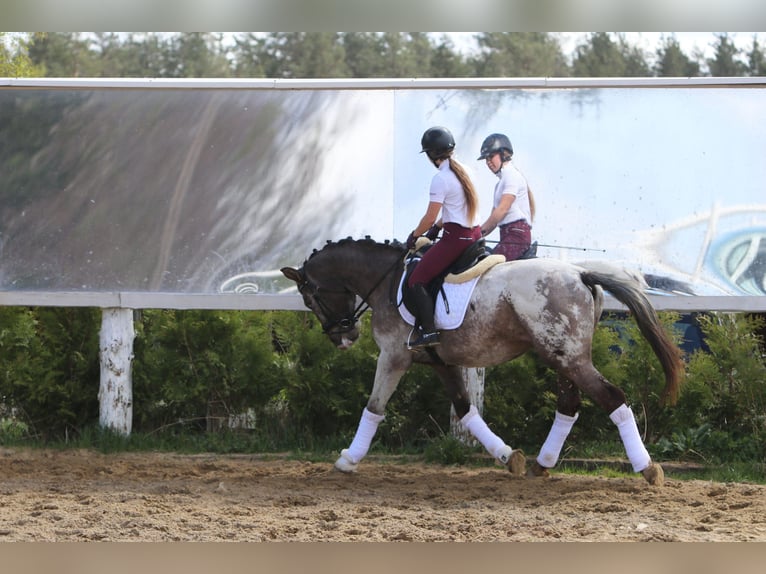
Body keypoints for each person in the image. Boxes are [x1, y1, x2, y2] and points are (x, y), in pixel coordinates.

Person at [405, 126, 481, 350]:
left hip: (456, 239)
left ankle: (429, 331)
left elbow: (429, 217)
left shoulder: (441, 179)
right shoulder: (467, 170)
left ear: (430, 155)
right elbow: (456, 207)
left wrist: (415, 234)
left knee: (416, 279)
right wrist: (438, 227)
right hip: (474, 234)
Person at [477, 133, 536, 261]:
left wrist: (477, 232)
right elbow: (494, 220)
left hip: (517, 236)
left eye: (491, 157)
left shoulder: (511, 175)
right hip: (507, 235)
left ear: (503, 154)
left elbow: (502, 210)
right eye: (486, 160)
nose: (488, 162)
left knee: (486, 266)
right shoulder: (499, 184)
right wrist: (476, 233)